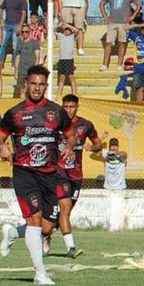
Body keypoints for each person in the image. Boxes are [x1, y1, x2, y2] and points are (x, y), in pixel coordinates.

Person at [0, 65, 72, 285]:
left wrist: (69, 146)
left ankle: (11, 233)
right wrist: (2, 147)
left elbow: (71, 135)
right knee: (34, 221)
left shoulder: (56, 111)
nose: (37, 88)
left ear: (45, 86)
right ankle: (40, 274)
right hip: (25, 172)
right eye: (34, 84)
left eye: (41, 84)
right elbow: (0, 136)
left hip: (50, 174)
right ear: (26, 85)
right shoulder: (15, 113)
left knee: (48, 226)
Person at [46, 93, 104, 259]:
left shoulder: (85, 125)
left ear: (77, 107)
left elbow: (98, 143)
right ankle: (71, 247)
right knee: (64, 208)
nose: (69, 110)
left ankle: (46, 234)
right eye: (66, 107)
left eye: (72, 107)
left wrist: (91, 148)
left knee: (66, 212)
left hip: (76, 175)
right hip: (59, 173)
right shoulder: (55, 125)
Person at [14, 23, 42, 96]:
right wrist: (16, 70)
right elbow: (17, 57)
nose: (24, 33)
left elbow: (37, 57)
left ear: (30, 32)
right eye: (22, 32)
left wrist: (35, 69)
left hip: (31, 70)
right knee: (22, 90)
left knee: (30, 90)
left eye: (26, 31)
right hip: (21, 70)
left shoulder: (34, 43)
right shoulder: (19, 43)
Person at [55, 22, 80, 95]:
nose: (66, 31)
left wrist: (68, 25)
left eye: (68, 29)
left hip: (69, 59)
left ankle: (74, 93)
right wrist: (58, 26)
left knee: (71, 76)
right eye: (65, 29)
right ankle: (59, 94)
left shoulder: (72, 36)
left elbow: (77, 31)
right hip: (61, 59)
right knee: (61, 77)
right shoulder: (61, 36)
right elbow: (53, 32)